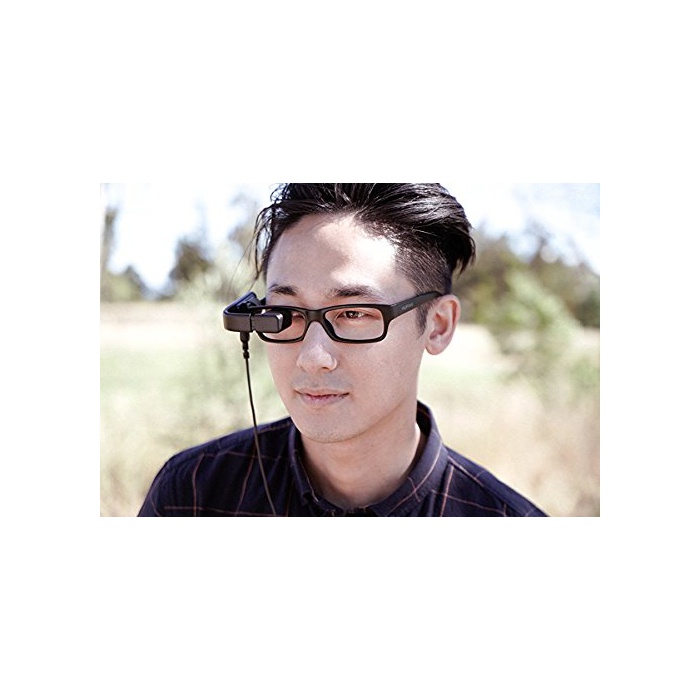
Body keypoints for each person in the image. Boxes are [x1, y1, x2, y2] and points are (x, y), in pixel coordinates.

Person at [138, 183, 547, 516]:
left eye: (353, 312)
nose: (312, 356)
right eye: (288, 313)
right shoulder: (192, 494)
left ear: (438, 325)